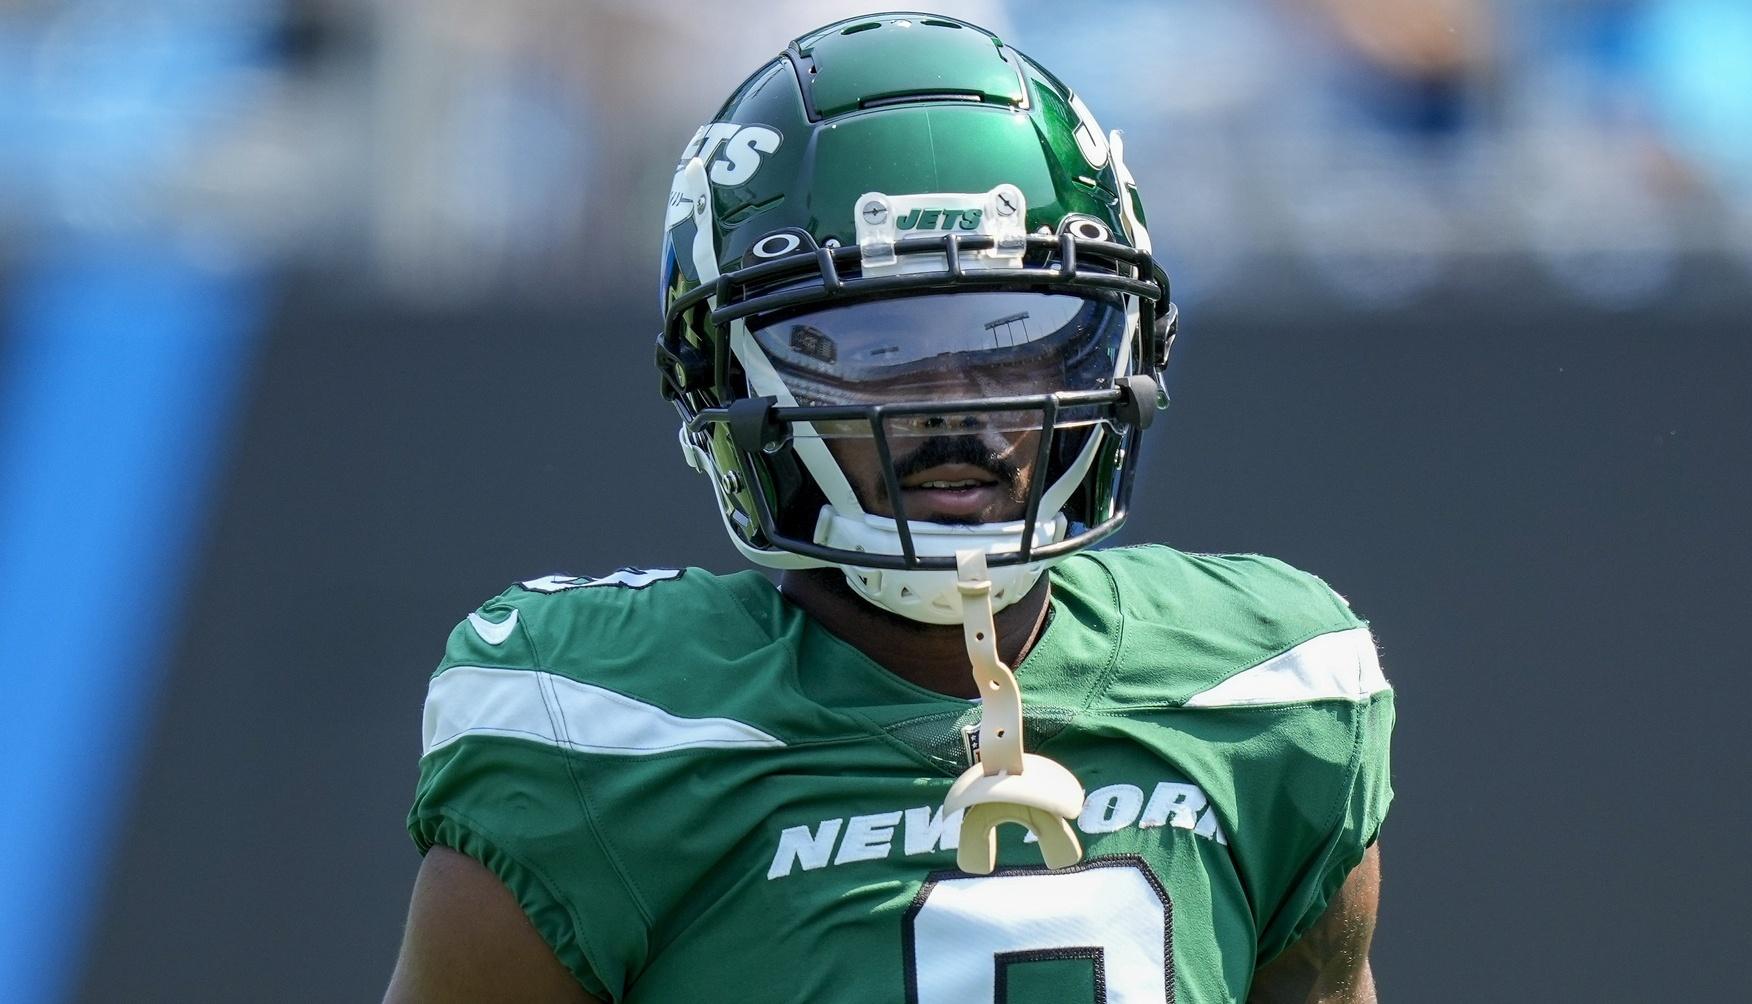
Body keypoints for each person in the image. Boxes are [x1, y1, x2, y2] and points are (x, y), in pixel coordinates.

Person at [385, 12, 1393, 1003]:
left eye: (1016, 330)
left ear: (1124, 344)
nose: (955, 403)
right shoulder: (599, 738)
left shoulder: (1266, 698)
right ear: (722, 375)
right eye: (877, 345)